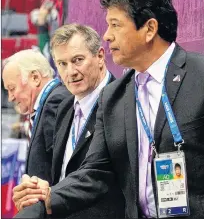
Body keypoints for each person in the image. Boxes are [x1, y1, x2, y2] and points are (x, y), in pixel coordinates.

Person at [13, 0, 204, 219]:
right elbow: (96, 170)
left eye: (115, 25)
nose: (106, 35)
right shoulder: (115, 96)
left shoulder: (201, 77)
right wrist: (51, 195)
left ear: (149, 29)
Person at [13, 24, 125, 218]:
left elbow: (98, 177)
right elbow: (61, 175)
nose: (70, 72)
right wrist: (36, 191)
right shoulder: (65, 107)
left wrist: (48, 196)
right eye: (62, 64)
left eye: (78, 60)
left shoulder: (122, 102)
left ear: (100, 56)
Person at [2, 49, 69, 186]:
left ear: (35, 78)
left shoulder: (55, 102)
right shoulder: (46, 104)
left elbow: (62, 169)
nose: (10, 98)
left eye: (12, 88)